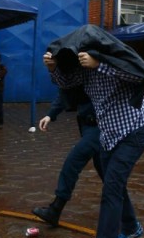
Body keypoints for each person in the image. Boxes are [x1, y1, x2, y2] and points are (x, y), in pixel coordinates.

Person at [44, 24, 144, 238]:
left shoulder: (111, 63)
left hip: (134, 130)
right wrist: (53, 68)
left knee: (112, 186)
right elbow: (68, 82)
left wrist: (99, 63)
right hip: (109, 134)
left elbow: (137, 75)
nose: (82, 54)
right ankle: (131, 227)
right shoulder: (84, 71)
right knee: (114, 184)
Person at [32, 87, 103, 226]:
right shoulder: (75, 73)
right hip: (87, 125)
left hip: (99, 127)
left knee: (73, 163)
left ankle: (56, 209)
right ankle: (130, 221)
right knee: (108, 174)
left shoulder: (95, 69)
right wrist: (51, 114)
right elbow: (66, 89)